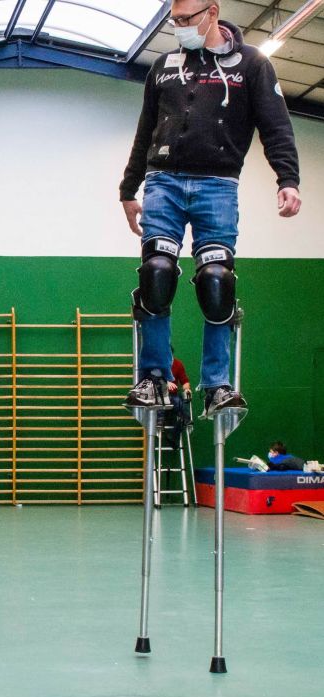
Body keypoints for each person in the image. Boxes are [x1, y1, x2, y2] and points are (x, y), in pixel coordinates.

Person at [120, 0, 301, 417]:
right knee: (156, 274)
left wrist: (287, 179)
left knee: (216, 282)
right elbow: (145, 131)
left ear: (212, 12)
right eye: (174, 20)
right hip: (163, 181)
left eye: (186, 19)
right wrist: (128, 189)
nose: (179, 26)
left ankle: (217, 385)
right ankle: (153, 377)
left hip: (217, 184)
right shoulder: (163, 66)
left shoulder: (251, 65)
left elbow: (276, 125)